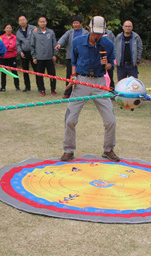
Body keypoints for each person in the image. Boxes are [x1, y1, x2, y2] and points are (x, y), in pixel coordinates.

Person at [61, 16, 119, 162]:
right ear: (89, 28)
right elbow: (74, 61)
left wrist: (106, 65)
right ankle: (68, 150)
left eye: (100, 33)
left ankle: (108, 149)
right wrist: (73, 77)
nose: (97, 36)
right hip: (82, 81)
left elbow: (111, 65)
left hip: (100, 83)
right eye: (95, 33)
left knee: (110, 120)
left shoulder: (108, 44)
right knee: (70, 119)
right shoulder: (77, 42)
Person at [55, 15, 88, 98]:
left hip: (82, 57)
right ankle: (67, 92)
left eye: (77, 23)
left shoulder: (86, 33)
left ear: (81, 24)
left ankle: (81, 93)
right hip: (71, 56)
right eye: (74, 23)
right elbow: (63, 38)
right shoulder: (70, 32)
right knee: (69, 75)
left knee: (82, 75)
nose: (75, 25)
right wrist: (59, 44)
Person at [31, 16, 57, 97]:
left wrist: (54, 54)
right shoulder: (35, 33)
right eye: (41, 22)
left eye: (44, 21)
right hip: (39, 58)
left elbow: (54, 44)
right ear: (38, 23)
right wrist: (34, 56)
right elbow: (32, 46)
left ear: (46, 22)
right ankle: (42, 90)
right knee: (39, 75)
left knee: (52, 74)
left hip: (49, 57)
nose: (42, 23)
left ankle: (53, 89)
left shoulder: (51, 32)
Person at [16, 15, 35, 92]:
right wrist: (20, 52)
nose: (22, 21)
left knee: (36, 70)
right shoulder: (18, 32)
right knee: (25, 70)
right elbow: (18, 44)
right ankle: (27, 87)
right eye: (20, 20)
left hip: (33, 52)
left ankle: (40, 87)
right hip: (24, 53)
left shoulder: (33, 28)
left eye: (23, 20)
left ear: (26, 20)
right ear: (18, 22)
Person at [0, 23, 20, 91]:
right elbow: (0, 47)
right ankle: (3, 87)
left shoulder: (15, 37)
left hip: (12, 57)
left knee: (14, 72)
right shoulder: (1, 37)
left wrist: (8, 48)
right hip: (3, 57)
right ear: (4, 29)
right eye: (7, 28)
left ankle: (17, 87)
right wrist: (8, 48)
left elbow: (16, 47)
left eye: (10, 28)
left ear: (12, 29)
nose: (8, 29)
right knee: (3, 73)